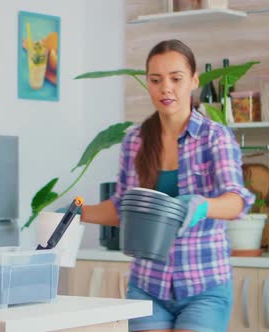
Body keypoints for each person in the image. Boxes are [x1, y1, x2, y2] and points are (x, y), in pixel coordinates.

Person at [79, 39, 255, 332]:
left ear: (194, 80)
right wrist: (77, 212)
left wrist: (202, 206)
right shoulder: (135, 141)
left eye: (176, 78)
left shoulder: (215, 137)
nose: (166, 88)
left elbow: (237, 200)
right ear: (147, 83)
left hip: (204, 284)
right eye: (156, 80)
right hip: (148, 283)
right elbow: (124, 208)